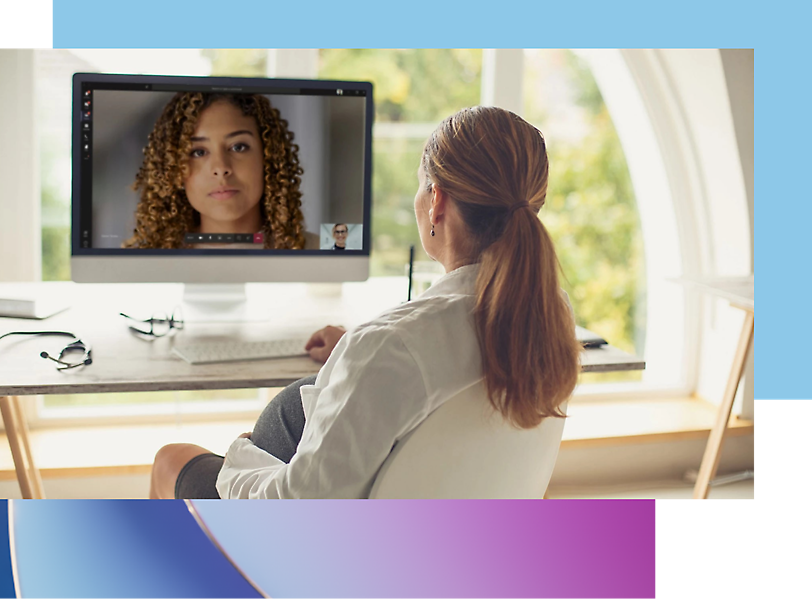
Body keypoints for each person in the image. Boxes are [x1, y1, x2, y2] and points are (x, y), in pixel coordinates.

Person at [149, 106, 581, 499]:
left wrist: (242, 458)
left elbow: (298, 507)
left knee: (173, 458)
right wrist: (354, 352)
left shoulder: (392, 347)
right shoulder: (548, 314)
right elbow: (438, 361)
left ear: (437, 203)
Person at [123, 92, 317, 249]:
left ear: (269, 157)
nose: (221, 168)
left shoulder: (324, 250)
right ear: (173, 170)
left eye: (238, 147)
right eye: (198, 152)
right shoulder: (144, 263)